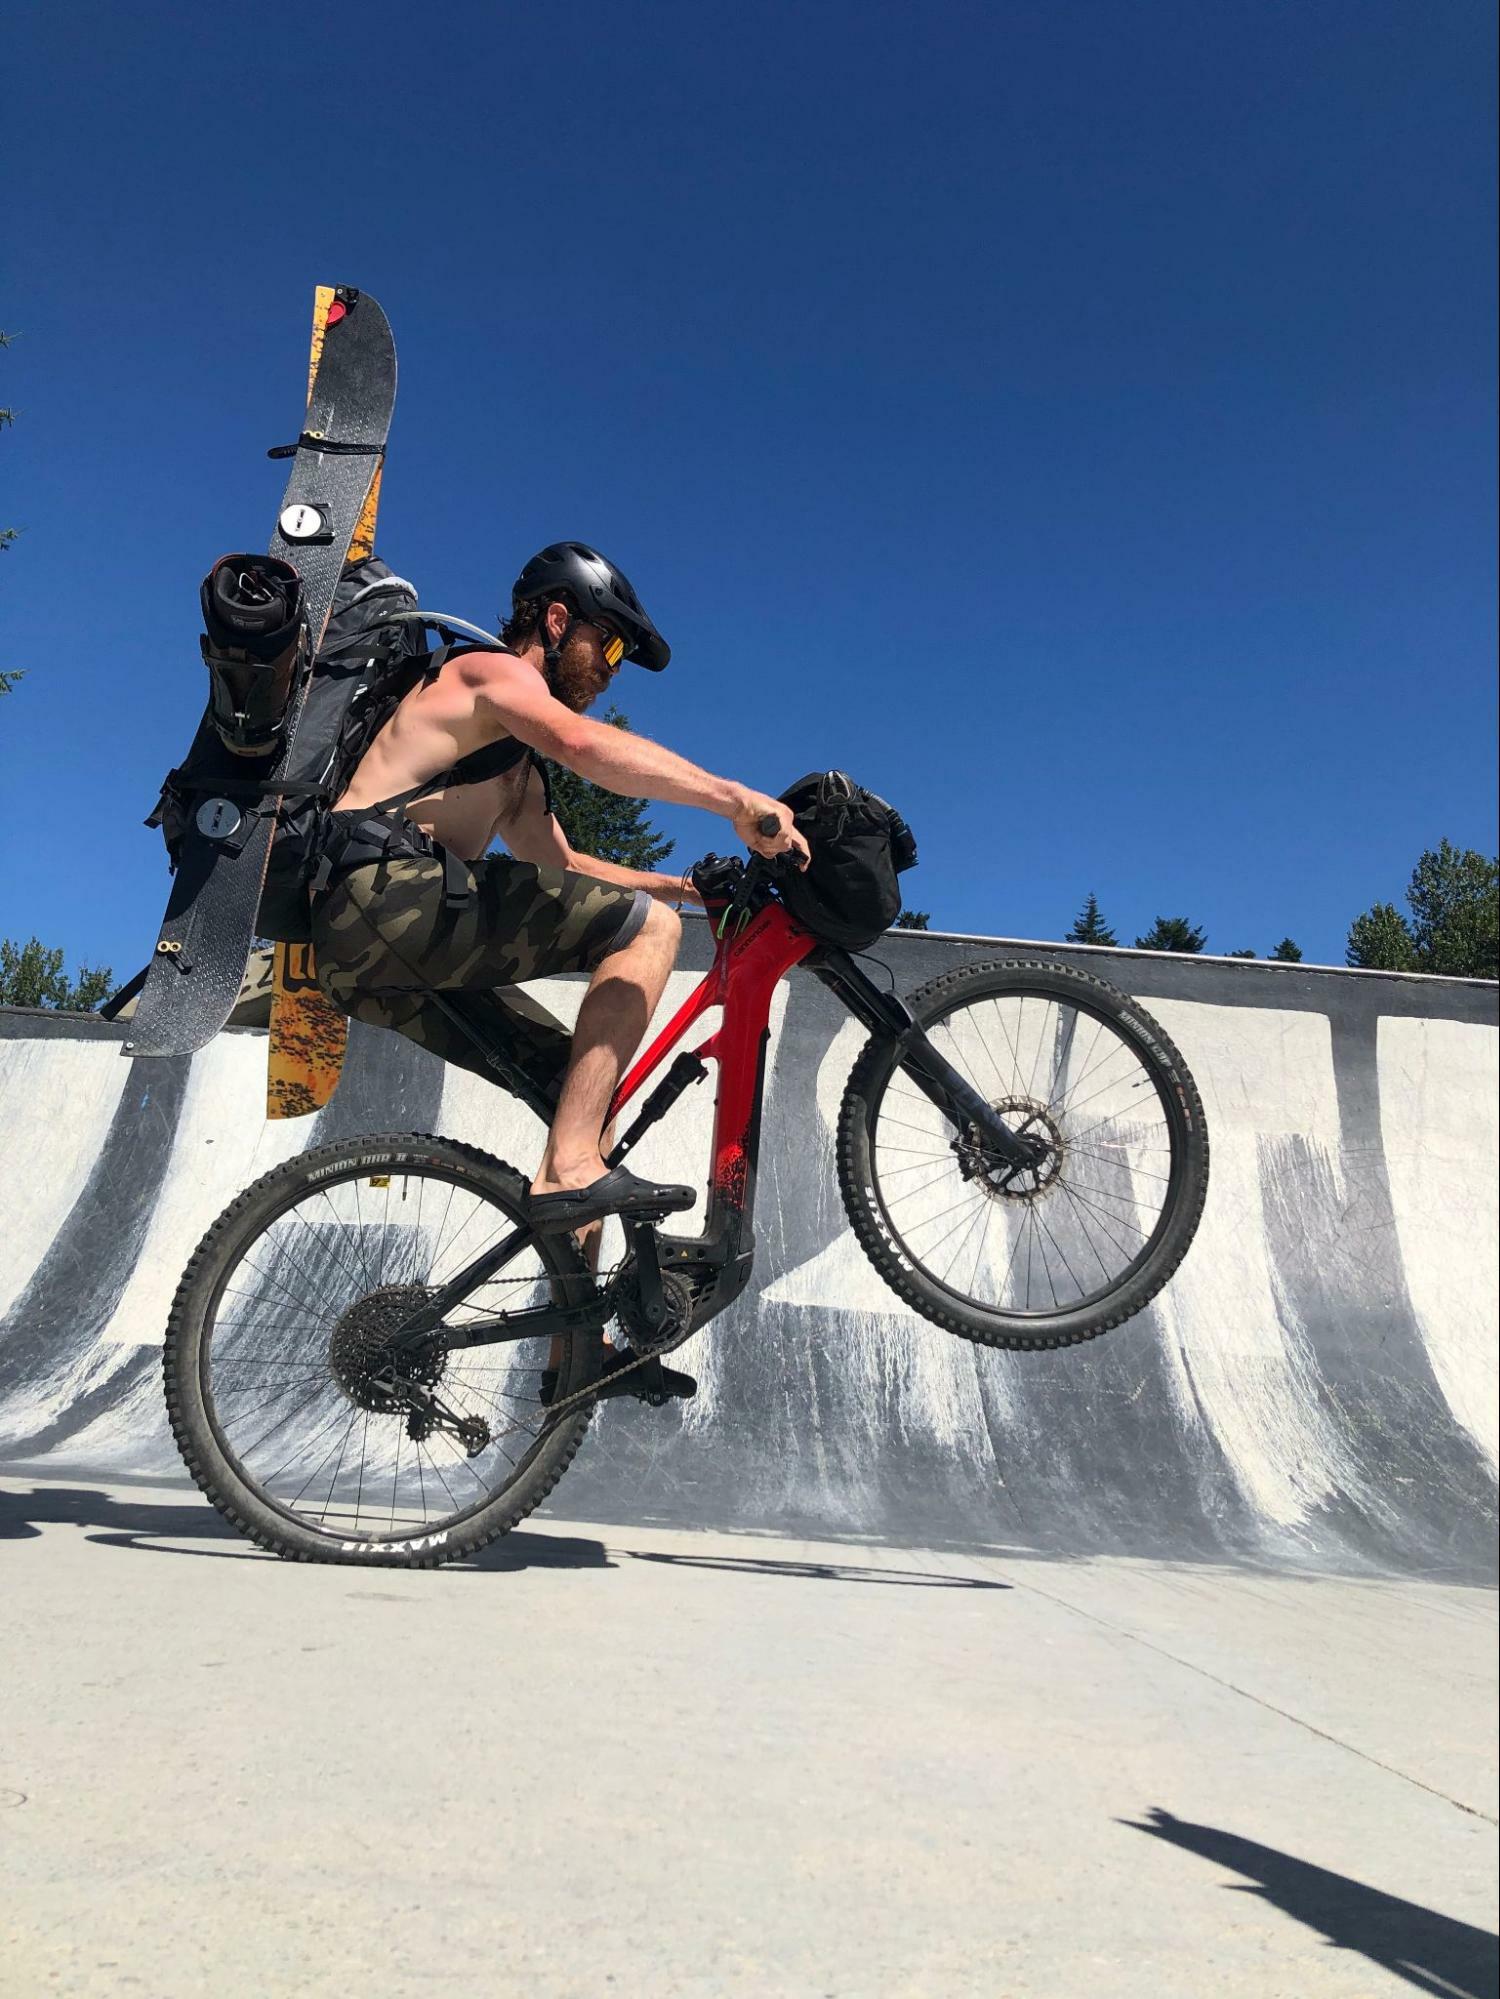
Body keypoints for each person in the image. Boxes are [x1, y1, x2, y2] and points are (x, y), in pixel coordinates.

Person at [310, 542, 809, 1246]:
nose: (609, 673)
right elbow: (581, 743)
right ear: (554, 619)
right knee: (649, 931)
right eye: (605, 648)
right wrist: (732, 798)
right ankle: (569, 1167)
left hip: (379, 955)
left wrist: (686, 887)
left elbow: (566, 867)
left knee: (587, 1095)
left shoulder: (513, 771)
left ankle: (577, 1351)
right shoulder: (487, 671)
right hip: (376, 893)